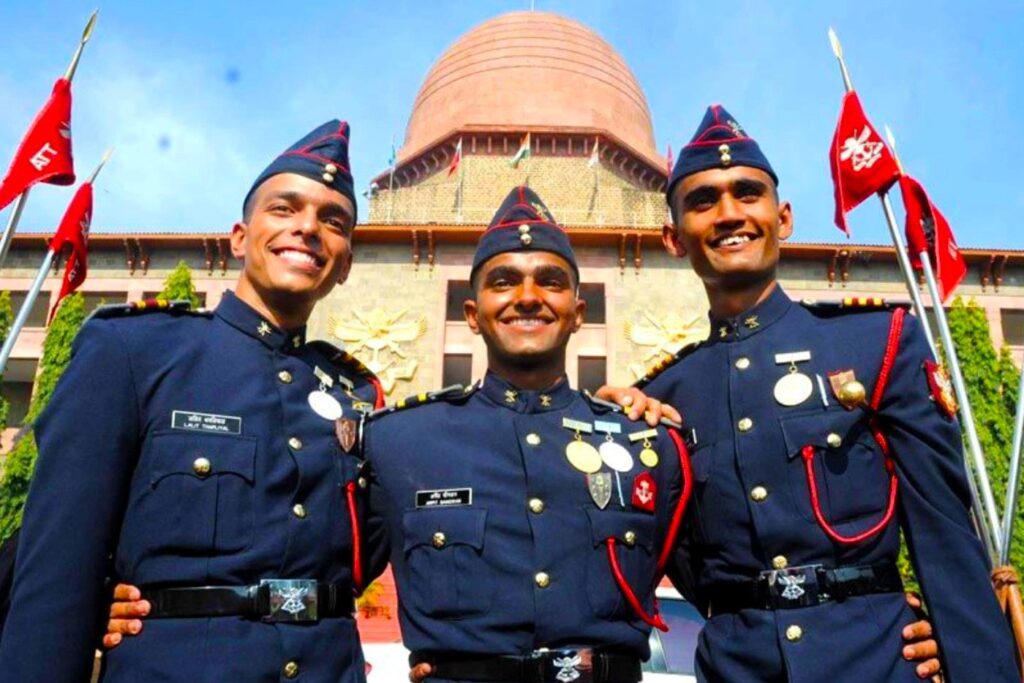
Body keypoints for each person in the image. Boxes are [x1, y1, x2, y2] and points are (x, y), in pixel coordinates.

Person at [600, 105, 1016, 682]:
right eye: (703, 201)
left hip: (877, 661)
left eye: (748, 194)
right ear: (674, 238)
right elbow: (670, 563)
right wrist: (616, 439)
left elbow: (944, 533)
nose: (729, 214)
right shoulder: (664, 398)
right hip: (739, 667)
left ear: (784, 217)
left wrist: (969, 657)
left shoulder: (877, 345)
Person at [0, 120, 384, 683]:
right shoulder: (135, 352)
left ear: (344, 262)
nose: (307, 228)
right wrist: (99, 596)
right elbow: (56, 564)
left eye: (333, 222)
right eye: (284, 209)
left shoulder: (354, 396)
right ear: (239, 238)